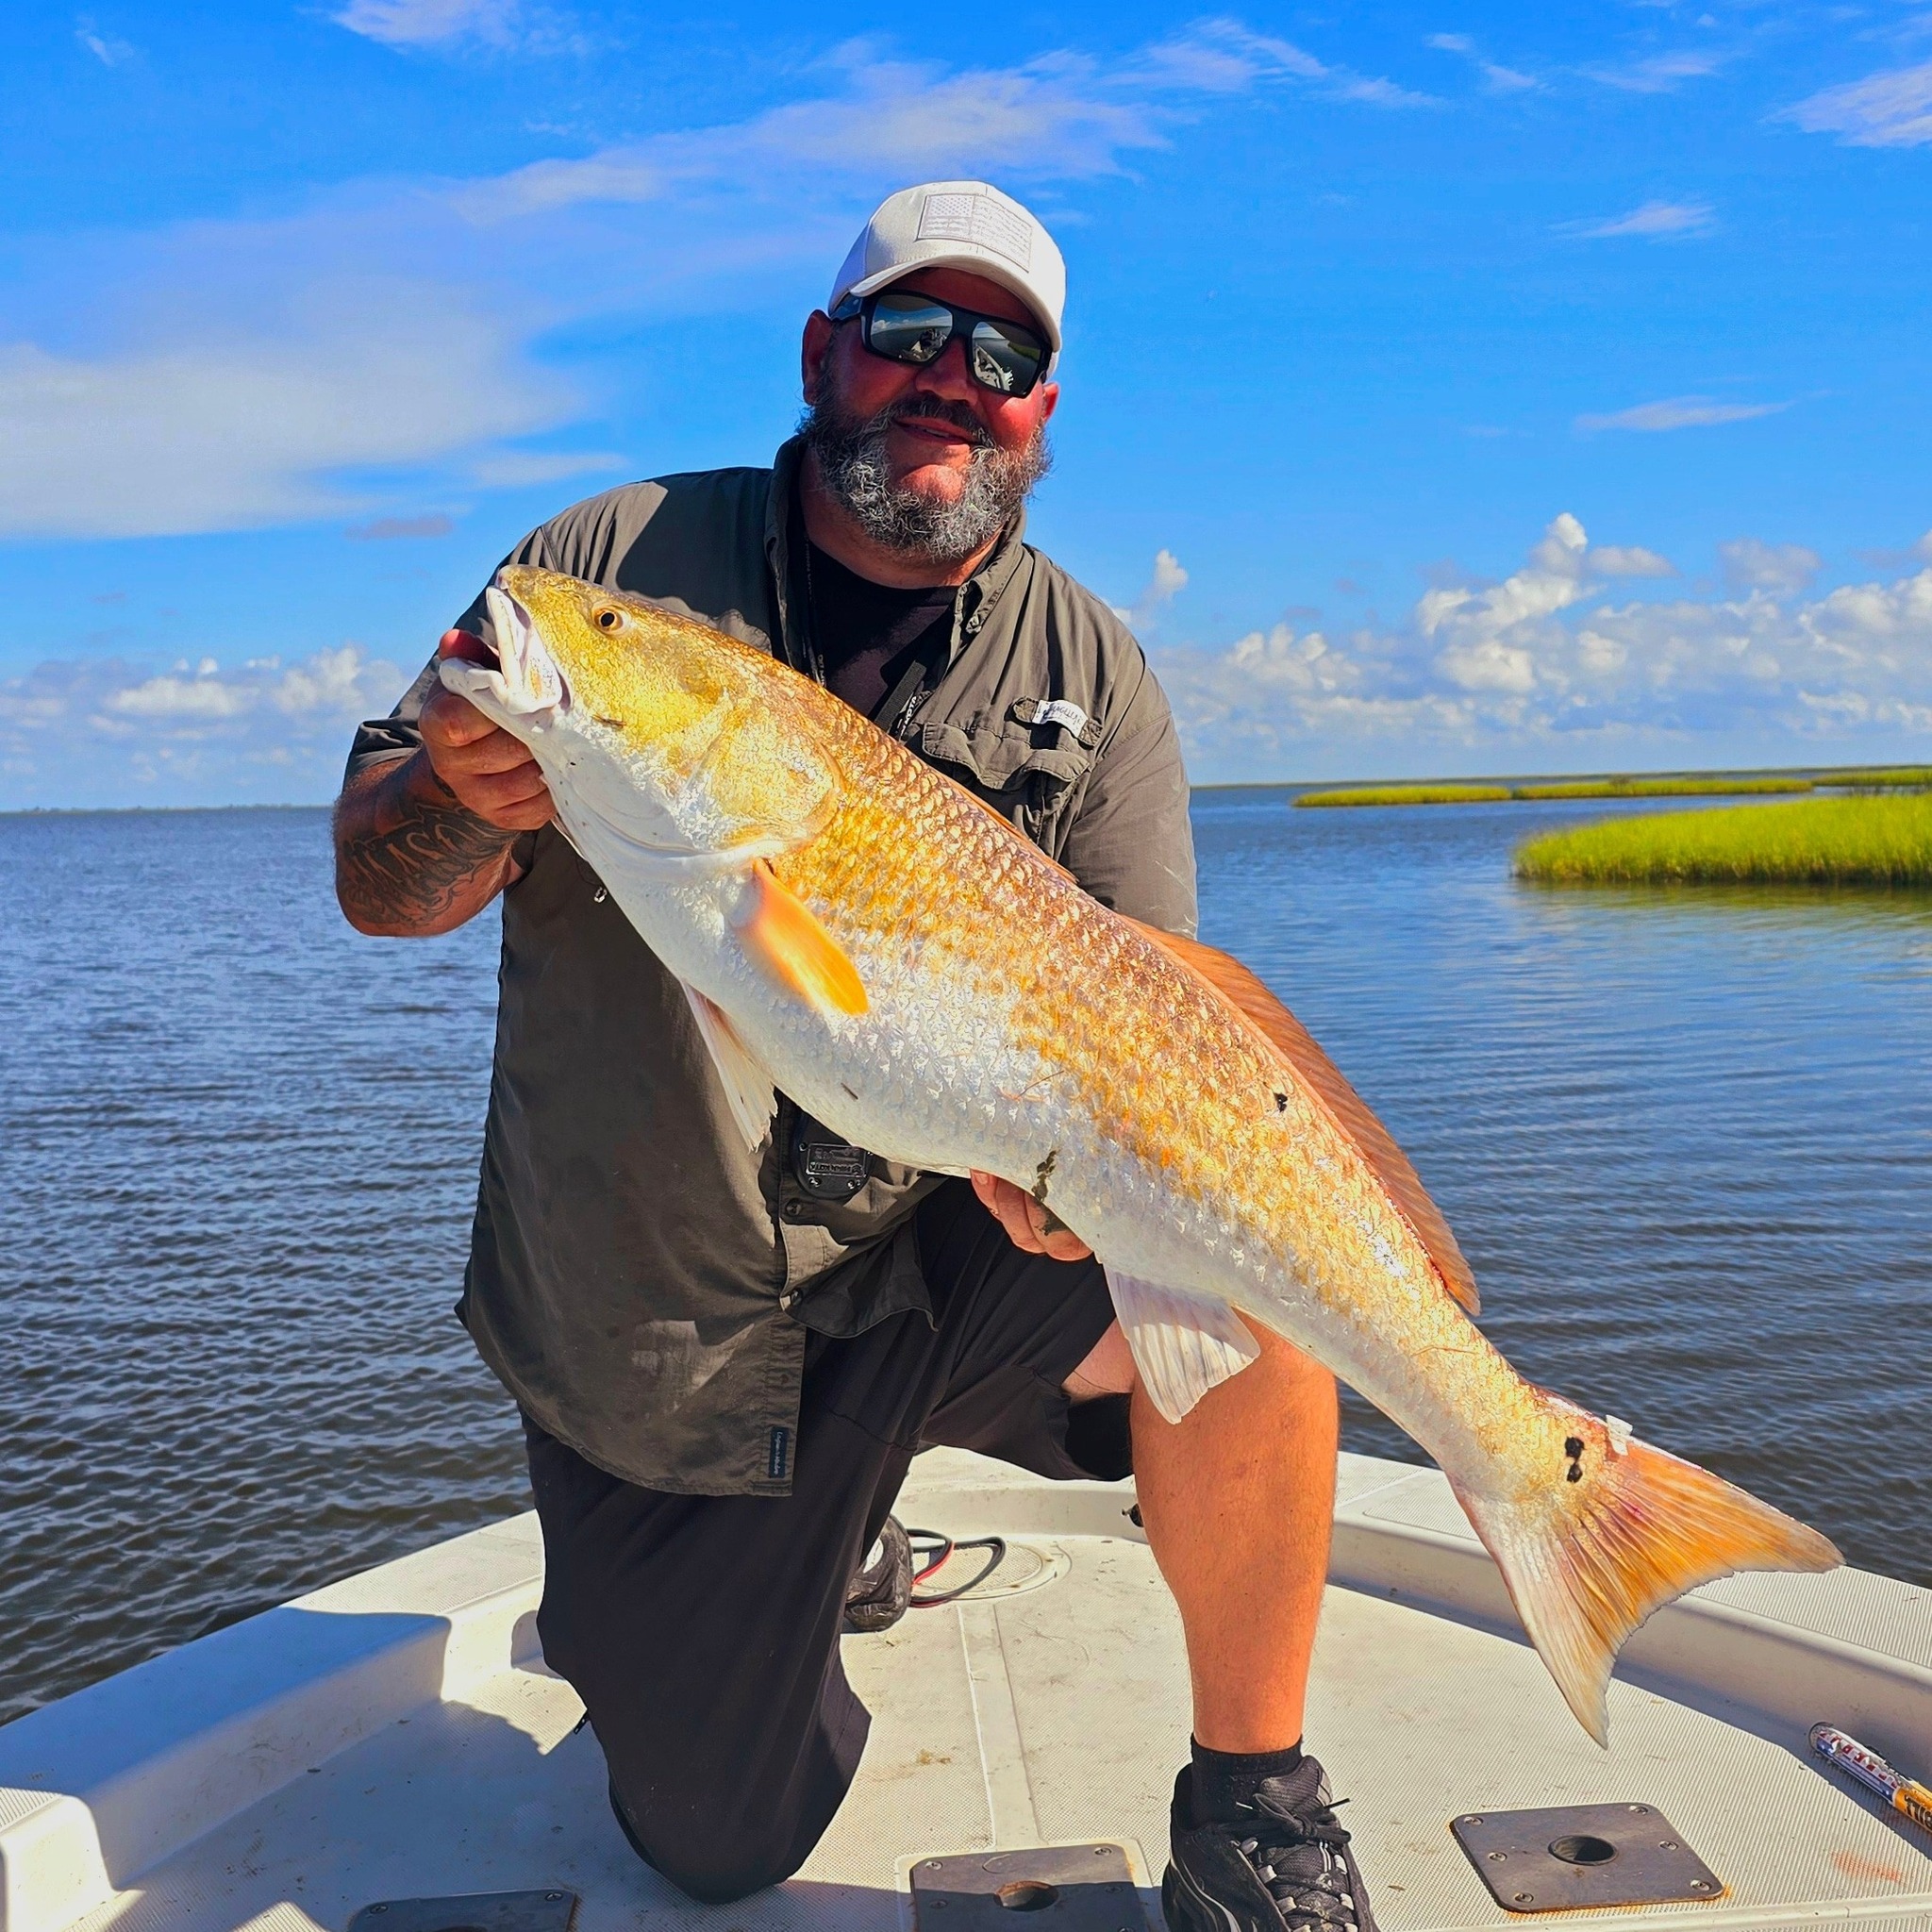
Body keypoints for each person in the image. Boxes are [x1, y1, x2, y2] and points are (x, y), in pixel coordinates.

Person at [333, 178, 1374, 1932]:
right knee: (714, 1843)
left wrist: (1104, 1189)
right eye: (907, 333)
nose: (951, 378)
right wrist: (449, 788)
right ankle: (822, 1542)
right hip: (655, 1326)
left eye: (1005, 353)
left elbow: (1167, 1015)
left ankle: (1252, 1800)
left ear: (1044, 406)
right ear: (825, 353)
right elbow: (379, 886)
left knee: (1261, 1257)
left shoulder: (1089, 672)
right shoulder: (602, 576)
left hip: (940, 1249)